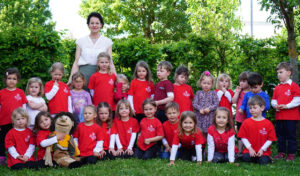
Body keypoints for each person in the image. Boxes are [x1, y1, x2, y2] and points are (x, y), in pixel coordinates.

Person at [68, 12, 115, 87]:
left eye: (97, 23)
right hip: (83, 76)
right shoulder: (80, 41)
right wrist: (71, 79)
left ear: (101, 25)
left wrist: (116, 79)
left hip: (102, 76)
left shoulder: (107, 41)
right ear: (88, 25)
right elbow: (76, 62)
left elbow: (110, 62)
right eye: (92, 23)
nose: (94, 25)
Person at [272, 62, 300, 161]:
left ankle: (291, 154)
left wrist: (287, 106)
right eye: (277, 73)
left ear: (288, 73)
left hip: (291, 117)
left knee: (291, 136)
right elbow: (273, 100)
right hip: (279, 116)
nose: (278, 74)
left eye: (281, 72)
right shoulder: (277, 87)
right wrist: (275, 105)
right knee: (280, 135)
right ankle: (281, 153)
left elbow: (297, 100)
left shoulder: (294, 86)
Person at [238, 95, 277, 165]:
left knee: (263, 161)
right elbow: (243, 137)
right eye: (250, 108)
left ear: (262, 108)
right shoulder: (246, 122)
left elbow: (270, 140)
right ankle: (250, 157)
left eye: (254, 108)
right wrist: (250, 149)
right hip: (249, 150)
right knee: (246, 158)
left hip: (263, 151)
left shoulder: (268, 124)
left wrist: (262, 149)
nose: (252, 110)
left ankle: (267, 158)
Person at [0, 68, 28, 165]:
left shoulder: (20, 92)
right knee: (3, 140)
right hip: (4, 122)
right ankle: (2, 157)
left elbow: (24, 108)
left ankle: (18, 156)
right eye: (9, 78)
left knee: (17, 140)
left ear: (18, 80)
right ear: (5, 80)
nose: (11, 81)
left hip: (18, 122)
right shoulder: (1, 93)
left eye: (14, 79)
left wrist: (25, 120)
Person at [193, 71, 218, 138]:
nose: (206, 85)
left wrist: (209, 109)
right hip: (200, 117)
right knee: (200, 134)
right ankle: (201, 147)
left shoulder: (213, 93)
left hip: (210, 117)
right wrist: (199, 109)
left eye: (208, 83)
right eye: (204, 83)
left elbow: (216, 104)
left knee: (209, 134)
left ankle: (210, 147)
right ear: (201, 83)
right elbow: (194, 103)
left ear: (212, 84)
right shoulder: (198, 93)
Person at [232, 71, 250, 154]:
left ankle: (247, 150)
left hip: (249, 117)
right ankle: (239, 151)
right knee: (240, 134)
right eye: (240, 81)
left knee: (248, 134)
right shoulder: (239, 91)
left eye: (244, 81)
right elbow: (233, 101)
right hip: (240, 117)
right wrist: (237, 92)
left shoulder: (251, 92)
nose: (241, 83)